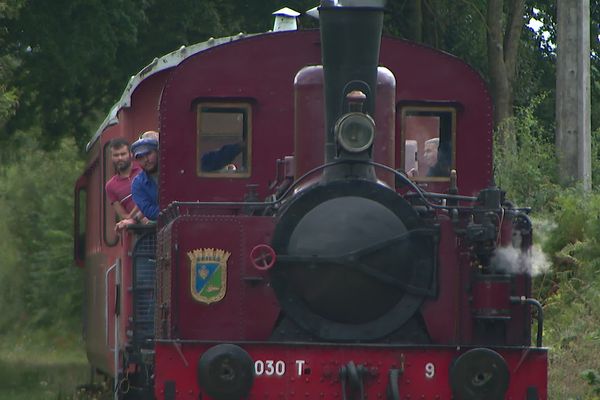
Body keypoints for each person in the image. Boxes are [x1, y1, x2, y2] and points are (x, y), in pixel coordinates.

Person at [104, 138, 146, 231]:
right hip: (137, 229)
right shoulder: (110, 186)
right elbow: (123, 215)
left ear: (130, 154)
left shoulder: (143, 169)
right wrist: (134, 220)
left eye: (123, 154)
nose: (120, 158)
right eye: (116, 155)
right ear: (111, 157)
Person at [131, 135, 160, 221]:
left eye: (148, 154)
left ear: (158, 152)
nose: (146, 160)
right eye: (140, 157)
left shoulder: (175, 171)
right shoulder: (138, 184)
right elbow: (150, 212)